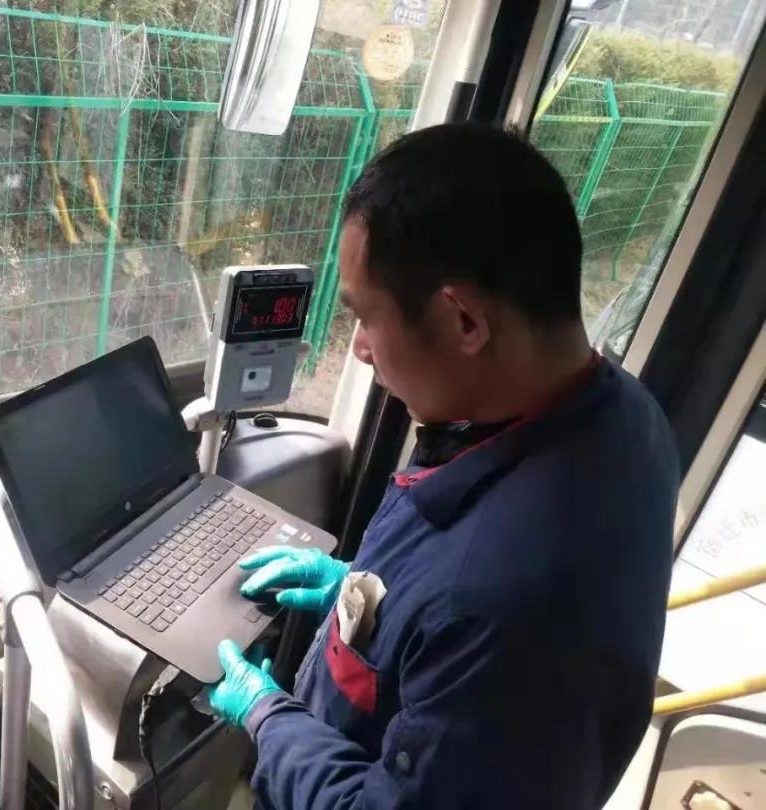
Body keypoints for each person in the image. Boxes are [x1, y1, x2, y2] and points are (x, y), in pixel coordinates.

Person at [208, 124, 679, 809]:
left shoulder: (493, 602)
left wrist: (267, 718)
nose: (360, 349)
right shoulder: (630, 417)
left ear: (464, 321)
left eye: (365, 317)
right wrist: (362, 593)